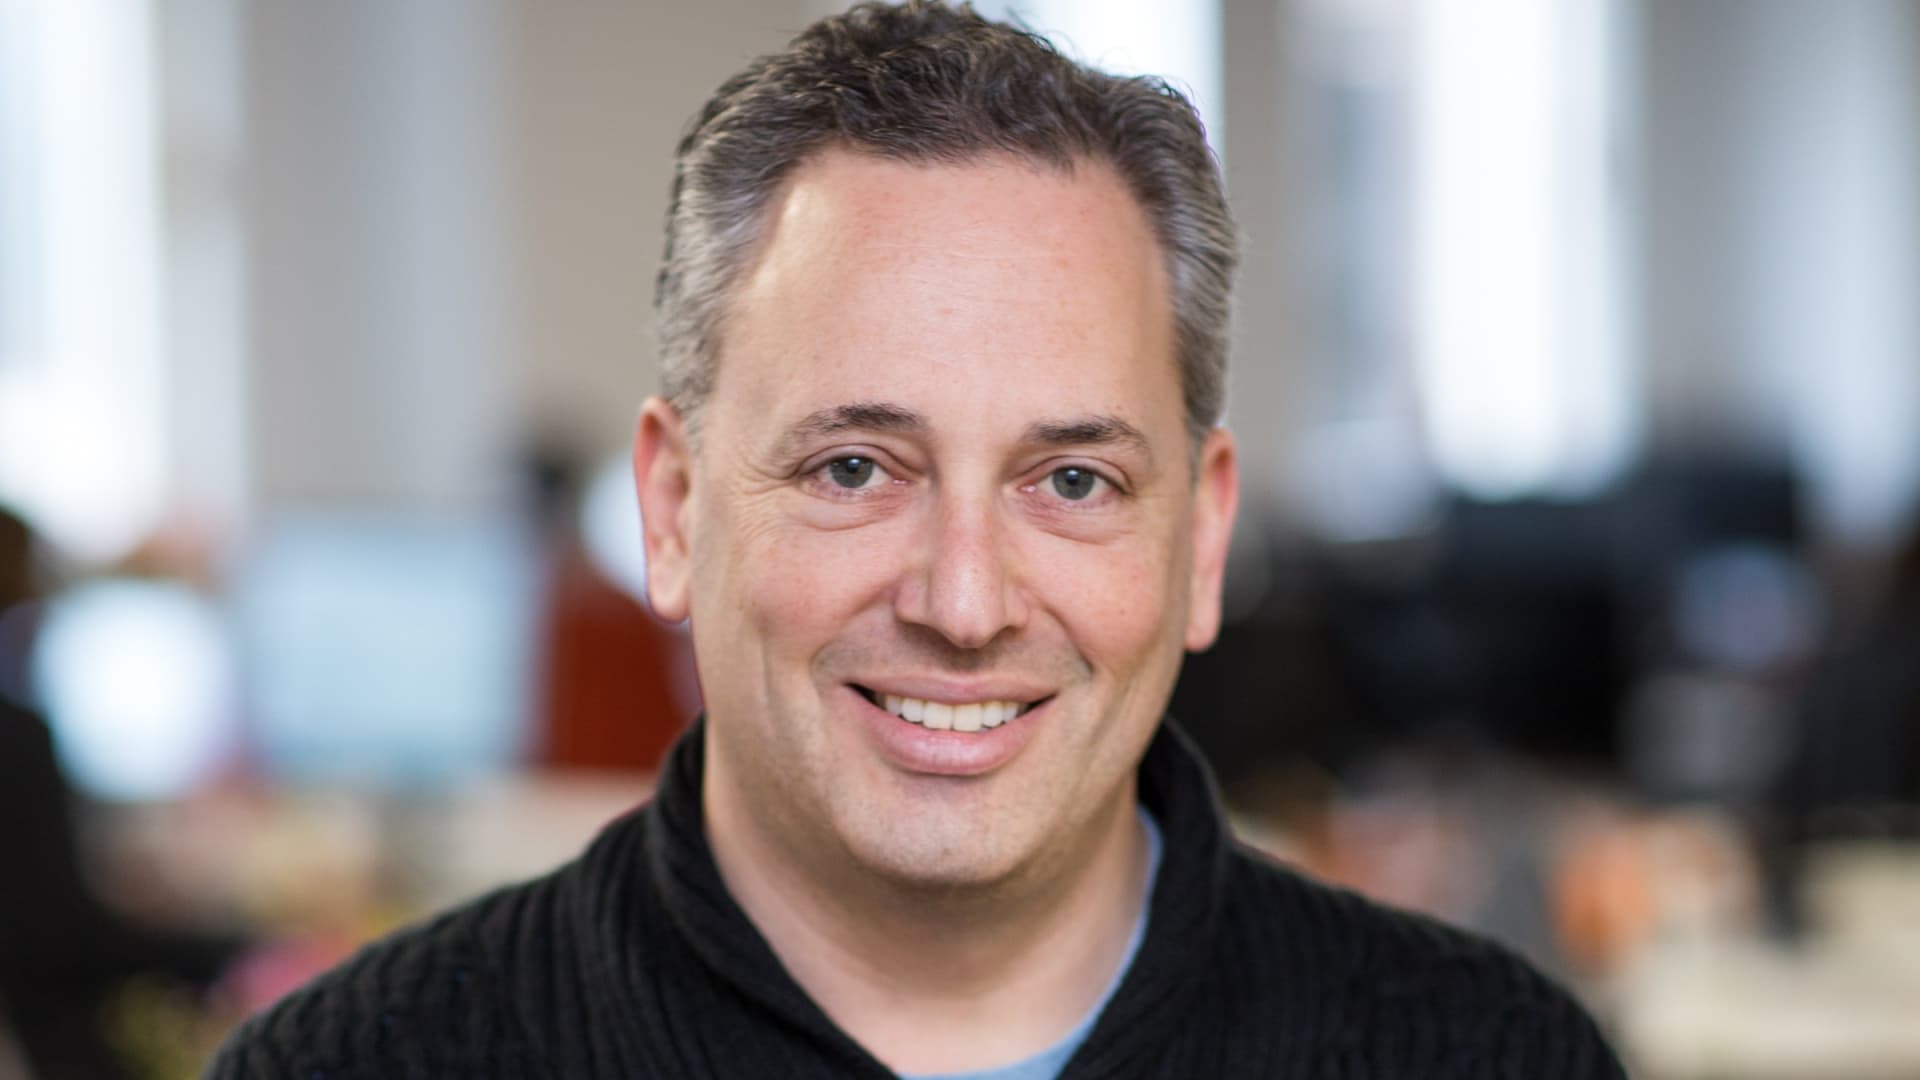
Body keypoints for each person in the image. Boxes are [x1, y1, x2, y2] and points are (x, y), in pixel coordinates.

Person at [210, 3, 1625, 1076]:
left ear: (1202, 540)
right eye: (852, 466)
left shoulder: (1490, 1055)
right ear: (674, 509)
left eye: (1071, 481)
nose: (964, 601)